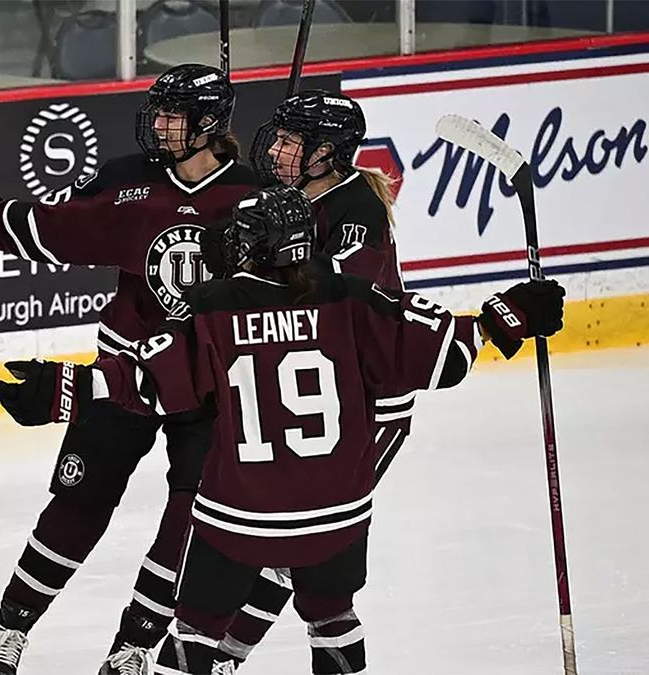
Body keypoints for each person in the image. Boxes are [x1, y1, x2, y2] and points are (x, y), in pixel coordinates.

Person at [0, 185, 566, 674]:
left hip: (241, 516)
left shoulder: (216, 307)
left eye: (242, 236)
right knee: (333, 616)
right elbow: (442, 357)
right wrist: (507, 315)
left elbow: (151, 380)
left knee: (195, 629)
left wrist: (61, 389)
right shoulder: (352, 299)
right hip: (338, 517)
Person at [0, 64, 258, 674]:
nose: (158, 125)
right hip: (125, 372)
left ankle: (133, 645)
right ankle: (10, 630)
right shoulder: (132, 179)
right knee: (79, 503)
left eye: (172, 115)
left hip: (212, 389)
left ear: (209, 125)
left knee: (192, 517)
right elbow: (60, 230)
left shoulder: (252, 202)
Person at [211, 89, 414, 665]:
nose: (273, 150)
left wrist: (259, 256)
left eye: (289, 141)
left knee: (303, 552)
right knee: (288, 545)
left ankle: (225, 654)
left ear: (327, 153)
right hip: (322, 397)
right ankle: (226, 653)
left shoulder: (357, 213)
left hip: (370, 406)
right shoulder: (295, 196)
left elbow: (328, 303)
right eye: (276, 137)